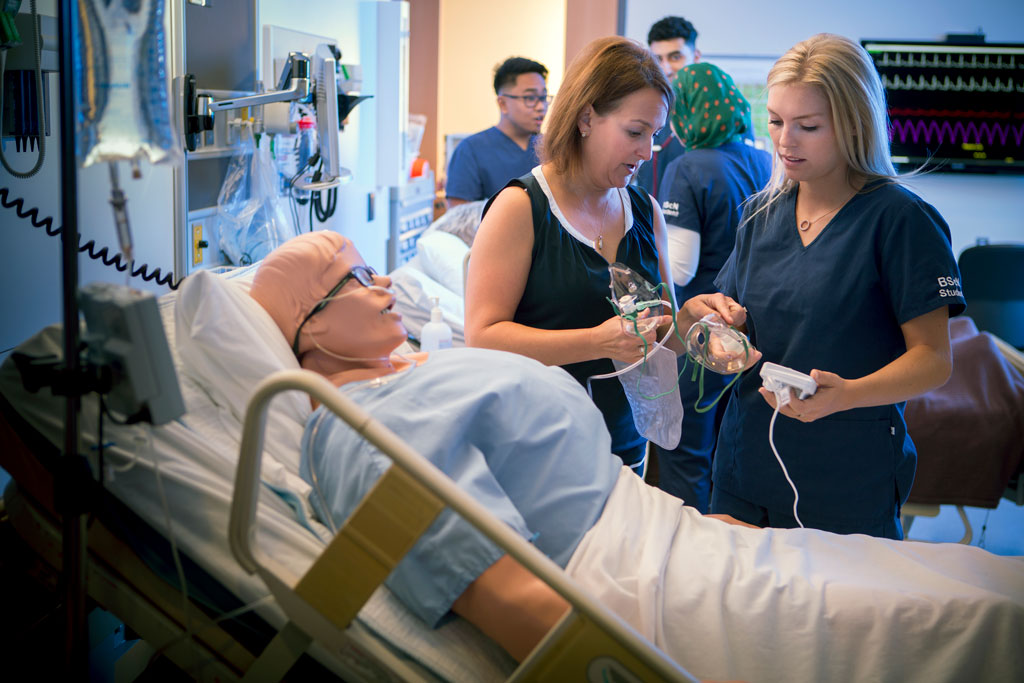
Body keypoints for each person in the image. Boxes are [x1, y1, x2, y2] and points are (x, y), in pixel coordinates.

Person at [247, 230, 1023, 682]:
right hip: (636, 586)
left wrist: (695, 529)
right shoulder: (357, 432)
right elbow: (508, 594)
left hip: (667, 537)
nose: (384, 283)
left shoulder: (415, 373)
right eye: (353, 277)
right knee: (964, 621)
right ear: (308, 326)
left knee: (958, 583)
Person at [708, 33, 967, 538]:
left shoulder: (901, 220)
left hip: (845, 480)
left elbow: (934, 361)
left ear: (854, 125)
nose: (785, 142)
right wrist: (709, 320)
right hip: (744, 466)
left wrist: (847, 394)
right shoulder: (759, 216)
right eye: (777, 121)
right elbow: (734, 331)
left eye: (808, 126)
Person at [464, 36, 740, 471]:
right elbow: (482, 337)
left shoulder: (645, 212)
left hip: (625, 449)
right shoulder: (521, 207)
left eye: (654, 135)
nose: (646, 152)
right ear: (586, 117)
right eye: (634, 132)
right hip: (538, 453)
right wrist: (594, 340)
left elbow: (658, 338)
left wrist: (689, 321)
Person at [652, 64, 772, 512]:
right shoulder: (763, 159)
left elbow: (680, 269)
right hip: (748, 330)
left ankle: (688, 564)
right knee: (730, 452)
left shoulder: (689, 166)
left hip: (703, 331)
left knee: (686, 455)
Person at [444, 57, 550, 208]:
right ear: (503, 104)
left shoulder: (552, 149)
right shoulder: (470, 151)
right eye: (530, 98)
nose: (541, 107)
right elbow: (459, 220)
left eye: (543, 97)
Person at [633, 16, 700, 200]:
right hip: (648, 220)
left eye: (676, 57)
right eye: (658, 59)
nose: (666, 68)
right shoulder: (642, 112)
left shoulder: (713, 115)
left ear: (696, 57)